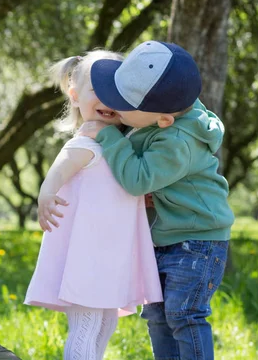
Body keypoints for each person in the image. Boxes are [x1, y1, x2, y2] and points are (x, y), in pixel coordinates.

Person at [74, 41, 235, 360]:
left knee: (184, 315)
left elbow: (138, 180)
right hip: (169, 238)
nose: (111, 103)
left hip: (197, 242)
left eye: (122, 102)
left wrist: (108, 136)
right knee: (158, 317)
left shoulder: (177, 140)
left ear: (163, 119)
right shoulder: (166, 115)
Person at [24, 50, 163, 360]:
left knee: (106, 324)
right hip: (87, 257)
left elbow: (116, 185)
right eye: (97, 91)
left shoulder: (117, 147)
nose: (107, 100)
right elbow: (59, 170)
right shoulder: (85, 143)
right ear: (74, 95)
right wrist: (46, 193)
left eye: (117, 94)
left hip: (110, 256)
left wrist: (140, 196)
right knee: (86, 326)